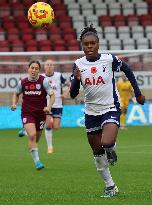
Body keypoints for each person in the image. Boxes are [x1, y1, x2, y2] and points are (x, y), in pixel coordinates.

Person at [70, 25, 145, 197]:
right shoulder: (78, 65)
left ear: (98, 44)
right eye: (86, 44)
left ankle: (111, 151)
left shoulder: (109, 59)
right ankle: (110, 186)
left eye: (92, 43)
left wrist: (138, 93)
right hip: (90, 112)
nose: (89, 46)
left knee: (107, 142)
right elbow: (73, 94)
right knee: (97, 154)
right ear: (82, 45)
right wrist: (76, 80)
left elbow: (128, 70)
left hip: (110, 107)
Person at [18, 59, 70, 154]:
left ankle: (26, 132)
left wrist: (65, 93)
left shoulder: (59, 76)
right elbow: (27, 87)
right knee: (48, 124)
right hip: (46, 106)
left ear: (54, 66)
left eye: (51, 64)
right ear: (44, 67)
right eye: (47, 65)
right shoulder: (40, 77)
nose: (49, 66)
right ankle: (50, 147)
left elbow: (69, 84)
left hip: (58, 105)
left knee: (56, 126)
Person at [11, 60, 55, 170]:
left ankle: (25, 132)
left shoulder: (44, 81)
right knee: (32, 135)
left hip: (40, 114)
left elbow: (52, 95)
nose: (34, 70)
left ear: (39, 71)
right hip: (27, 113)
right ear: (28, 69)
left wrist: (48, 107)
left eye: (36, 68)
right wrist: (14, 103)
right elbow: (16, 94)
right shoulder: (22, 82)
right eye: (32, 68)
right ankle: (37, 162)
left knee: (35, 139)